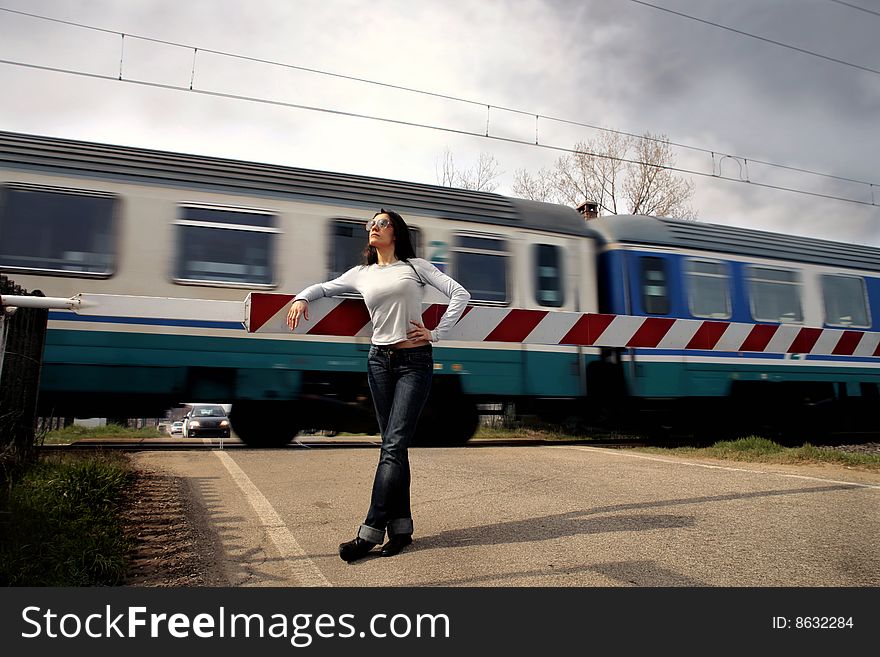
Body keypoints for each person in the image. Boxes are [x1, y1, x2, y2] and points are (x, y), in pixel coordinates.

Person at [287, 208, 471, 561]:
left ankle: (369, 532)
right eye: (371, 224)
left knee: (392, 446)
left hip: (414, 362)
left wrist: (436, 334)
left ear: (396, 233)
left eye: (382, 223)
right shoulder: (362, 274)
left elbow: (460, 294)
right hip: (378, 362)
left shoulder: (416, 267)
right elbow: (324, 287)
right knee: (393, 448)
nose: (374, 227)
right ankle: (401, 529)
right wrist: (301, 297)